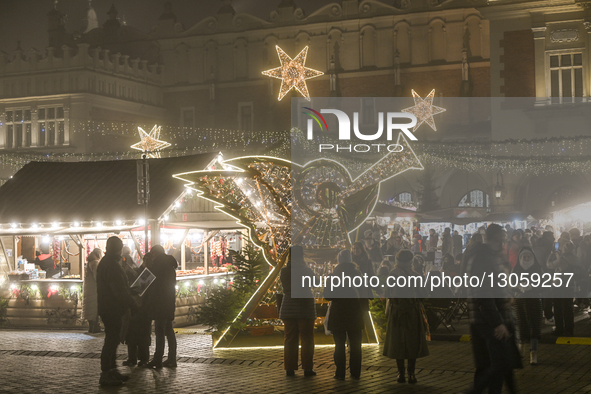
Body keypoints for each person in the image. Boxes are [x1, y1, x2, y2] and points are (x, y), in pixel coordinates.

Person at [466, 224, 520, 394]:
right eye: (503, 238)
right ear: (497, 237)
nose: (505, 241)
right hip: (488, 320)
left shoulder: (493, 256)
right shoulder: (483, 257)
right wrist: (497, 323)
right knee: (499, 364)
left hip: (497, 317)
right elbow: (483, 293)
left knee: (502, 364)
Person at [383, 250, 429, 384]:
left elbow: (388, 293)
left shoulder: (392, 274)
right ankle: (411, 373)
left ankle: (400, 373)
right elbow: (423, 294)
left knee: (398, 341)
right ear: (410, 262)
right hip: (412, 312)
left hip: (397, 312)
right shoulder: (415, 275)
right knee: (412, 342)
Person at [96, 236, 137, 387]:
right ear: (119, 249)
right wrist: (132, 304)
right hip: (112, 308)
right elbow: (118, 290)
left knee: (112, 341)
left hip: (108, 307)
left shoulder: (106, 263)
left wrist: (129, 290)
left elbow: (118, 287)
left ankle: (112, 370)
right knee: (112, 341)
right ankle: (107, 373)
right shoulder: (112, 265)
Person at [324, 249, 368, 380]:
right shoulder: (358, 275)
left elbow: (327, 296)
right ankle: (355, 373)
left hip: (338, 313)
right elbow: (364, 294)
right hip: (355, 314)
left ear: (339, 260)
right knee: (355, 345)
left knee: (339, 345)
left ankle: (340, 372)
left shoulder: (333, 276)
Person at [279, 245, 316, 377]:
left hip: (288, 307)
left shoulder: (284, 271)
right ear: (301, 256)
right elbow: (316, 282)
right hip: (305, 308)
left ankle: (289, 368)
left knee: (290, 338)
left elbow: (284, 286)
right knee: (307, 339)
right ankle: (307, 368)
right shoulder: (306, 270)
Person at [144, 245, 178, 369]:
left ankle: (158, 359)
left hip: (159, 302)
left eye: (152, 254)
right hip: (168, 301)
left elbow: (145, 282)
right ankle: (171, 358)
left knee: (159, 331)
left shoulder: (157, 265)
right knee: (168, 330)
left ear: (155, 254)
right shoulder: (169, 265)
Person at [512, 247, 543, 365]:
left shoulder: (537, 269)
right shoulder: (516, 269)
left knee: (534, 326)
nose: (526, 259)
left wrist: (532, 287)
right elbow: (511, 284)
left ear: (532, 257)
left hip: (534, 301)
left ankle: (533, 352)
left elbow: (543, 285)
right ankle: (521, 349)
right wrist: (519, 287)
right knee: (521, 324)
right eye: (524, 257)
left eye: (528, 256)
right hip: (519, 300)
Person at [547, 241, 583, 336]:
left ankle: (559, 328)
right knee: (568, 308)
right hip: (570, 285)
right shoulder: (575, 258)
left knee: (558, 307)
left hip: (559, 285)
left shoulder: (562, 259)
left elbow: (549, 265)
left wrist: (551, 255)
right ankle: (569, 329)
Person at [123, 252, 152, 368]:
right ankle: (132, 357)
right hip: (135, 306)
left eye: (147, 261)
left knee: (143, 334)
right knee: (131, 333)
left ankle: (143, 358)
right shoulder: (141, 271)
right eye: (145, 260)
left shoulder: (150, 273)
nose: (145, 263)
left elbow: (137, 289)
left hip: (143, 307)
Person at [533, 231, 555, 324]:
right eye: (552, 236)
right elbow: (549, 263)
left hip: (536, 272)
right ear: (548, 237)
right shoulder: (549, 247)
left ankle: (541, 313)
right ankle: (548, 316)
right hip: (546, 272)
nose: (553, 238)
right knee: (547, 294)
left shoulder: (535, 246)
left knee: (540, 294)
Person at [83, 248, 103, 333]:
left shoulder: (89, 263)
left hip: (89, 289)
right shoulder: (95, 263)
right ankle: (95, 327)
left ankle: (91, 327)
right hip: (94, 290)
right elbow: (97, 277)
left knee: (90, 309)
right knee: (94, 308)